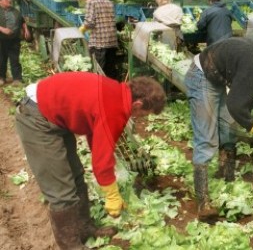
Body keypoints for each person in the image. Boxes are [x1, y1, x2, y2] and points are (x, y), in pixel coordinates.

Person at [15, 72, 166, 249]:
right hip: (38, 119)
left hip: (54, 114)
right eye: (145, 114)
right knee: (61, 191)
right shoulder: (116, 108)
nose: (142, 118)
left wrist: (106, 165)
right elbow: (101, 161)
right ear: (138, 104)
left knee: (76, 176)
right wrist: (112, 194)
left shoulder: (117, 92)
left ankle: (84, 227)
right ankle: (70, 245)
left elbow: (97, 136)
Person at [184, 37, 253, 221]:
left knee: (228, 126)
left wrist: (248, 107)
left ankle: (227, 177)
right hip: (202, 75)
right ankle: (203, 202)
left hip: (217, 76)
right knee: (206, 137)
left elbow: (243, 91)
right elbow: (236, 105)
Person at [77, 0, 119, 79]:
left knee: (99, 72)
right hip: (112, 43)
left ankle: (100, 93)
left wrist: (82, 29)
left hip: (99, 44)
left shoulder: (90, 2)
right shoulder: (108, 1)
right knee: (110, 72)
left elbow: (89, 22)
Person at [0, 0, 30, 86]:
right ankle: (2, 78)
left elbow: (22, 21)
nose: (9, 0)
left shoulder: (15, 11)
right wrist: (2, 29)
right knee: (1, 59)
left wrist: (26, 30)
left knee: (15, 59)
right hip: (1, 40)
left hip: (14, 39)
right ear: (0, 1)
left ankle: (17, 79)